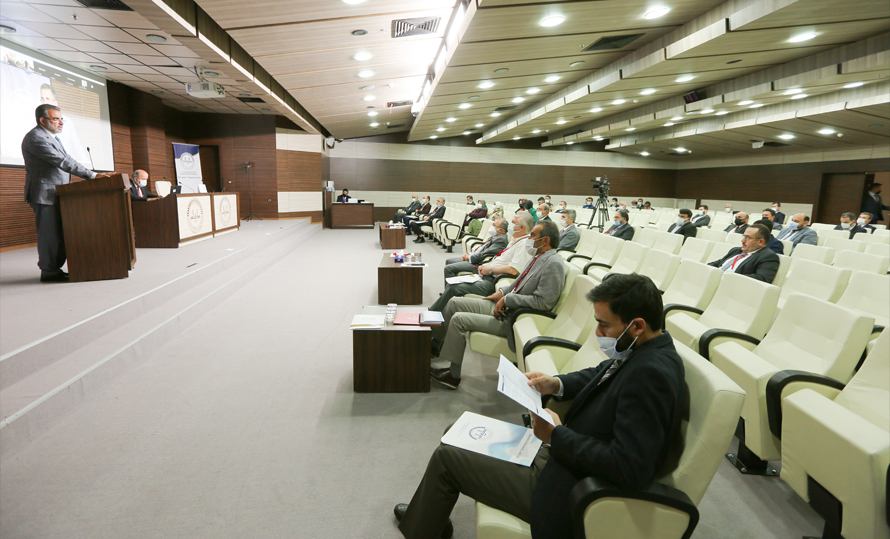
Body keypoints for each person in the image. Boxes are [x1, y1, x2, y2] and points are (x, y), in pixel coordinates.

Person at [394, 273, 687, 539]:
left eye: (604, 324)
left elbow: (629, 468)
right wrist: (555, 383)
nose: (597, 332)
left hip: (568, 485)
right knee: (458, 430)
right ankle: (432, 517)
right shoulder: (647, 348)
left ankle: (424, 529)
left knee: (448, 458)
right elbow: (602, 372)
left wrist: (556, 436)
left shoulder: (651, 376)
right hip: (563, 457)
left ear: (637, 325)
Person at [429, 221, 565, 389]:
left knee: (459, 319)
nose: (529, 238)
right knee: (454, 302)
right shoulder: (538, 257)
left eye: (533, 235)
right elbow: (518, 283)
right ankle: (435, 343)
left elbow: (543, 303)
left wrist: (507, 300)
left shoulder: (554, 264)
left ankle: (453, 375)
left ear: (545, 240)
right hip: (505, 307)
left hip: (513, 319)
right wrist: (501, 292)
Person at [23, 104, 114, 282]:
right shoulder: (36, 137)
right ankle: (49, 272)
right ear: (42, 120)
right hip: (45, 194)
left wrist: (92, 173)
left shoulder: (52, 137)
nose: (61, 122)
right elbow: (62, 161)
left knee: (58, 234)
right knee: (49, 235)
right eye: (56, 119)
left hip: (56, 193)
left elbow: (68, 159)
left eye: (61, 118)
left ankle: (54, 269)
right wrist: (92, 176)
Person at [431, 213, 533, 312]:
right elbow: (501, 259)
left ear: (521, 227)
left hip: (493, 281)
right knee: (453, 282)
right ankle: (440, 313)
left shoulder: (524, 243)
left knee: (454, 287)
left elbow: (514, 270)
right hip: (487, 274)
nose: (510, 225)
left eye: (513, 222)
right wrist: (487, 265)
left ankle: (432, 314)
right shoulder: (516, 239)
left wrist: (490, 269)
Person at [441, 218, 509, 283]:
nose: (492, 226)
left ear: (501, 230)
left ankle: (450, 291)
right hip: (475, 256)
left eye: (494, 225)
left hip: (478, 263)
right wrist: (470, 254)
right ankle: (449, 288)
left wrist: (470, 257)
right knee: (449, 261)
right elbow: (482, 248)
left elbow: (485, 254)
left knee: (448, 268)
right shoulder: (496, 236)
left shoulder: (501, 240)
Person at [708, 224, 780, 282]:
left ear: (760, 242)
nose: (742, 240)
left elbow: (761, 278)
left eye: (747, 237)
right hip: (712, 280)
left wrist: (729, 277)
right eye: (743, 236)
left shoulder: (768, 257)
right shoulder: (736, 250)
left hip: (730, 286)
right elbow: (718, 263)